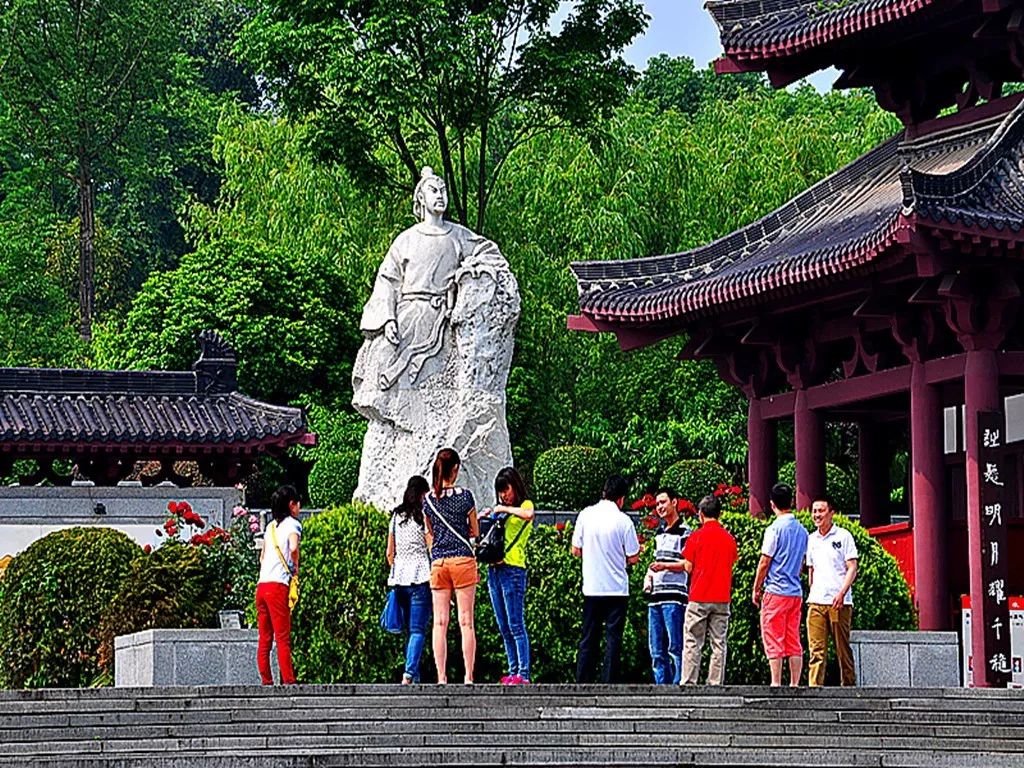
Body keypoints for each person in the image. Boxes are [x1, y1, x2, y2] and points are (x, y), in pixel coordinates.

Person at [572, 474, 641, 683]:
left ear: (604, 492)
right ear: (621, 499)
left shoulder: (585, 515)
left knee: (588, 637)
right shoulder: (623, 521)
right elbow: (634, 556)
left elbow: (576, 550)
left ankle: (583, 681)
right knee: (613, 638)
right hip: (616, 589)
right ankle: (609, 682)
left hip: (592, 587)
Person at [422, 448, 479, 684]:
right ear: (455, 468)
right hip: (463, 560)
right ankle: (468, 676)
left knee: (440, 622)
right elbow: (475, 531)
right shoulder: (465, 496)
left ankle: (442, 676)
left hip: (439, 563)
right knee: (466, 621)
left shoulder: (427, 500)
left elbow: (429, 533)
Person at [752, 482, 809, 687]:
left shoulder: (774, 529)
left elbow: (765, 561)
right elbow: (803, 562)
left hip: (775, 590)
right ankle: (795, 683)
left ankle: (776, 682)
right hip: (795, 592)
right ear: (792, 501)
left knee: (773, 636)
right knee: (793, 638)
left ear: (772, 504)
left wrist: (756, 588)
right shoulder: (803, 531)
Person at [484, 467, 535, 685]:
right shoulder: (502, 511)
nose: (504, 495)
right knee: (503, 625)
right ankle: (512, 669)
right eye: (500, 491)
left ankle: (523, 673)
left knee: (516, 624)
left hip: (513, 569)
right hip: (495, 569)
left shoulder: (524, 505)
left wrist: (505, 509)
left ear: (515, 486)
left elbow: (528, 514)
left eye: (507, 489)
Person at [680, 494, 737, 685]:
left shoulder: (696, 537)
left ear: (700, 514)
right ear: (719, 514)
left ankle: (689, 682)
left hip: (698, 595)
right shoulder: (729, 539)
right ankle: (715, 683)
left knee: (693, 641)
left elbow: (688, 566)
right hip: (721, 596)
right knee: (719, 643)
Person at [805, 495, 859, 686]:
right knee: (816, 650)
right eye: (814, 511)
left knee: (842, 648)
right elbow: (810, 569)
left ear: (831, 513)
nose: (817, 515)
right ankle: (814, 688)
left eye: (821, 511)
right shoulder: (811, 539)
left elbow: (852, 567)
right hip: (816, 602)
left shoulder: (843, 536)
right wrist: (813, 590)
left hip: (839, 602)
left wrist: (842, 593)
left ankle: (849, 686)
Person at [386, 475, 432, 684]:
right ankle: (409, 674)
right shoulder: (423, 516)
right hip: (420, 576)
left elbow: (390, 552)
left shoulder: (396, 516)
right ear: (423, 494)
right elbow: (431, 547)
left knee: (408, 631)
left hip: (399, 579)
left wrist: (397, 569)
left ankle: (415, 677)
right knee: (418, 630)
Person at [642, 488, 691, 684]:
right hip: (655, 597)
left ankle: (678, 685)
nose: (660, 507)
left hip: (674, 597)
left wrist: (664, 566)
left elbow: (688, 565)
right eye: (657, 504)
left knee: (675, 646)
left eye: (663, 502)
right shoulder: (659, 533)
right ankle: (661, 686)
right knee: (656, 649)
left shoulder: (685, 533)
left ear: (674, 503)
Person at [255, 485, 301, 685]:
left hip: (262, 585)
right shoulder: (293, 525)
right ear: (291, 505)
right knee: (282, 637)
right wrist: (295, 567)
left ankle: (266, 681)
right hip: (278, 585)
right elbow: (293, 548)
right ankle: (289, 681)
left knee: (265, 638)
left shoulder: (270, 527)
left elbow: (262, 557)